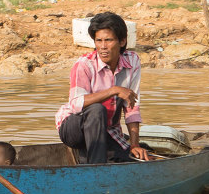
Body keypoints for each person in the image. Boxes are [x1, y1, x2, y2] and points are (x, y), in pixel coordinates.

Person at [55, 11, 154, 163]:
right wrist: (113, 90)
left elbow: (132, 107)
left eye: (108, 40)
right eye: (98, 40)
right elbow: (75, 105)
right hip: (74, 128)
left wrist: (134, 144)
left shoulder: (132, 61)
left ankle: (101, 161)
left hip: (106, 130)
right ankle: (97, 168)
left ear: (122, 41)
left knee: (132, 158)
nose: (103, 47)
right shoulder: (84, 65)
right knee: (96, 109)